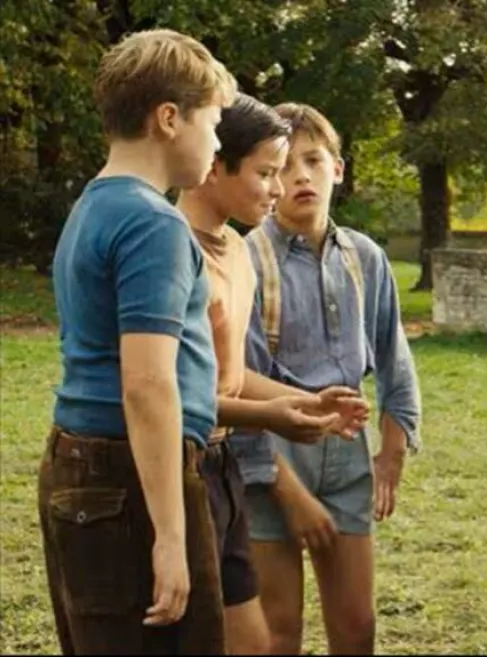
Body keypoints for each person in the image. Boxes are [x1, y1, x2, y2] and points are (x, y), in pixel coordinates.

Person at [37, 29, 235, 654]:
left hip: (82, 466)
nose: (218, 141)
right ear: (169, 118)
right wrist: (170, 535)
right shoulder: (152, 223)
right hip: (129, 475)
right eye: (214, 122)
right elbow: (148, 384)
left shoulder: (94, 206)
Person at [173, 94, 370, 654]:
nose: (283, 186)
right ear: (217, 165)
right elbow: (161, 392)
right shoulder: (171, 243)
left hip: (226, 463)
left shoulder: (233, 248)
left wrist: (307, 403)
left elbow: (231, 379)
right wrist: (276, 418)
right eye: (268, 171)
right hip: (184, 465)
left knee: (254, 641)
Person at [234, 102, 421, 655]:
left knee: (357, 626)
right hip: (268, 456)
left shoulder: (364, 257)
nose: (300, 176)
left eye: (314, 160)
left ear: (338, 168)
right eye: (284, 164)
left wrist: (390, 452)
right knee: (278, 631)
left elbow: (394, 357)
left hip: (345, 455)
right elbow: (235, 384)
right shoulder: (248, 258)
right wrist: (285, 489)